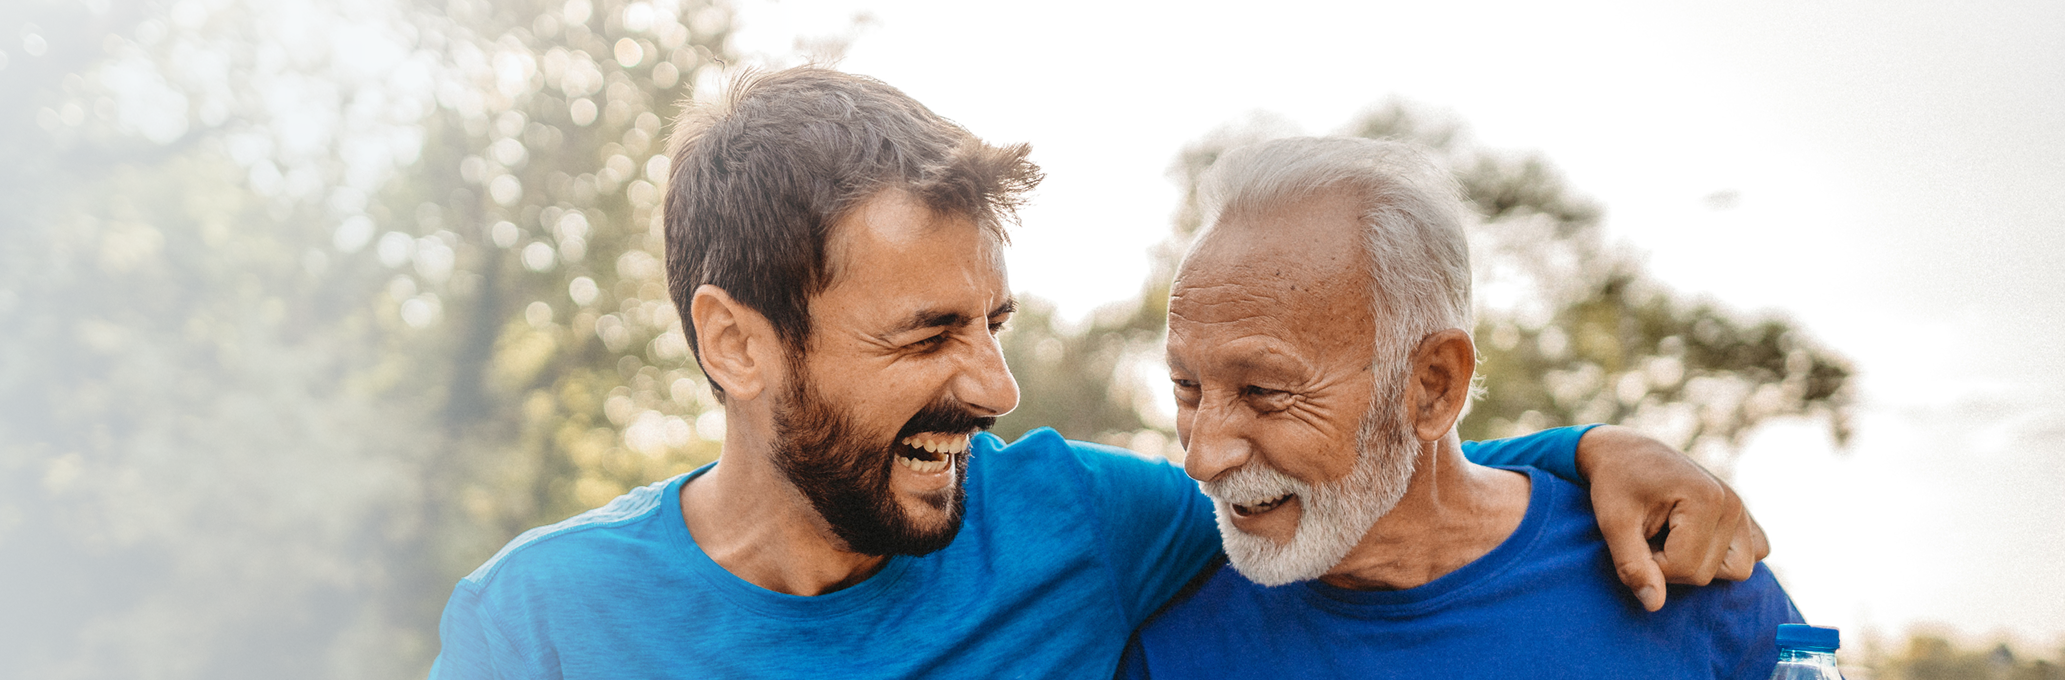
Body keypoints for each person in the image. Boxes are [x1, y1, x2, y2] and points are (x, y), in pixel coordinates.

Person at [429, 66, 1765, 679]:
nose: (996, 387)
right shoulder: (536, 627)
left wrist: (1591, 454)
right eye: (925, 336)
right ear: (738, 345)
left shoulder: (1084, 527)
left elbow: (1359, 480)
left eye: (991, 321)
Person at [1119, 136, 1802, 680]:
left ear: (1432, 387)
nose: (1202, 457)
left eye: (1265, 392)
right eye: (1187, 389)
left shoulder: (1688, 578)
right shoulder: (1174, 635)